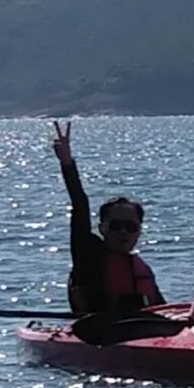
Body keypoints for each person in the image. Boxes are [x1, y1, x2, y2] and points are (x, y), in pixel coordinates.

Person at [51, 120, 165, 317]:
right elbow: (80, 203)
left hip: (142, 332)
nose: (123, 232)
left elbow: (164, 309)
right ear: (102, 228)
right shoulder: (88, 254)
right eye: (116, 225)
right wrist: (67, 164)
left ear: (139, 230)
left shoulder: (139, 268)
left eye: (130, 227)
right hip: (99, 333)